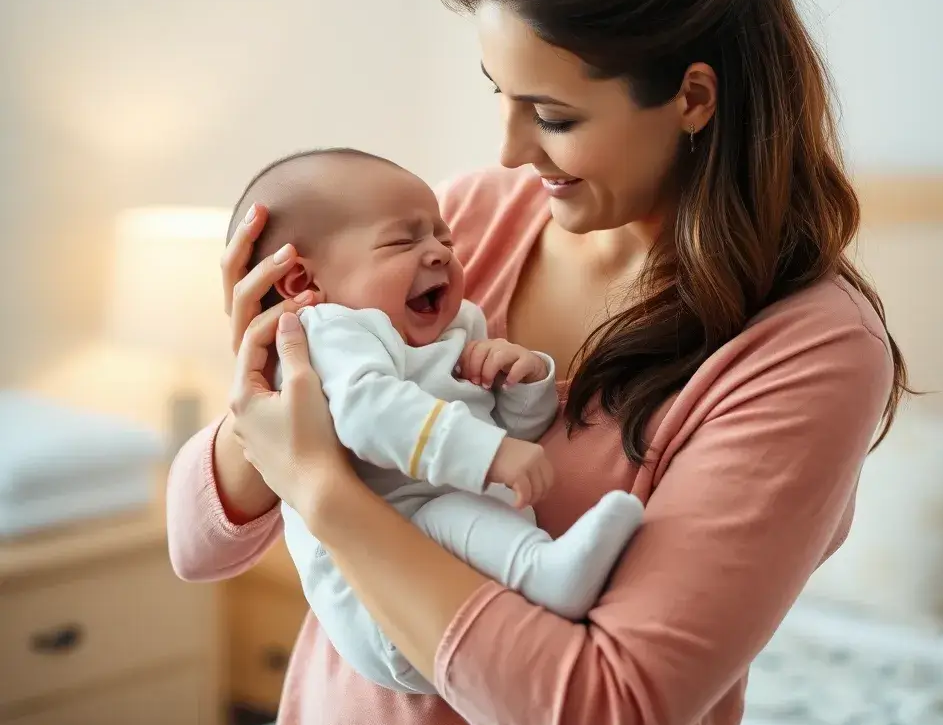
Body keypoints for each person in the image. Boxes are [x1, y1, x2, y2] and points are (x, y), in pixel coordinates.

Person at [167, 0, 907, 725]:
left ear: (693, 98)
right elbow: (199, 549)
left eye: (552, 116)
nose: (512, 154)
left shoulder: (805, 351)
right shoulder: (466, 223)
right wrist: (261, 393)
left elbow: (607, 717)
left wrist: (321, 488)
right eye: (500, 97)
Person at [225, 147, 644, 694]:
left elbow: (516, 436)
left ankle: (539, 569)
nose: (440, 254)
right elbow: (369, 414)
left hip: (446, 592)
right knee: (452, 509)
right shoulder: (329, 332)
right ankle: (545, 572)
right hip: (379, 606)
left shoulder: (457, 328)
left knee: (464, 508)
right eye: (404, 241)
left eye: (445, 240)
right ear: (301, 279)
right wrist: (489, 455)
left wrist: (523, 380)